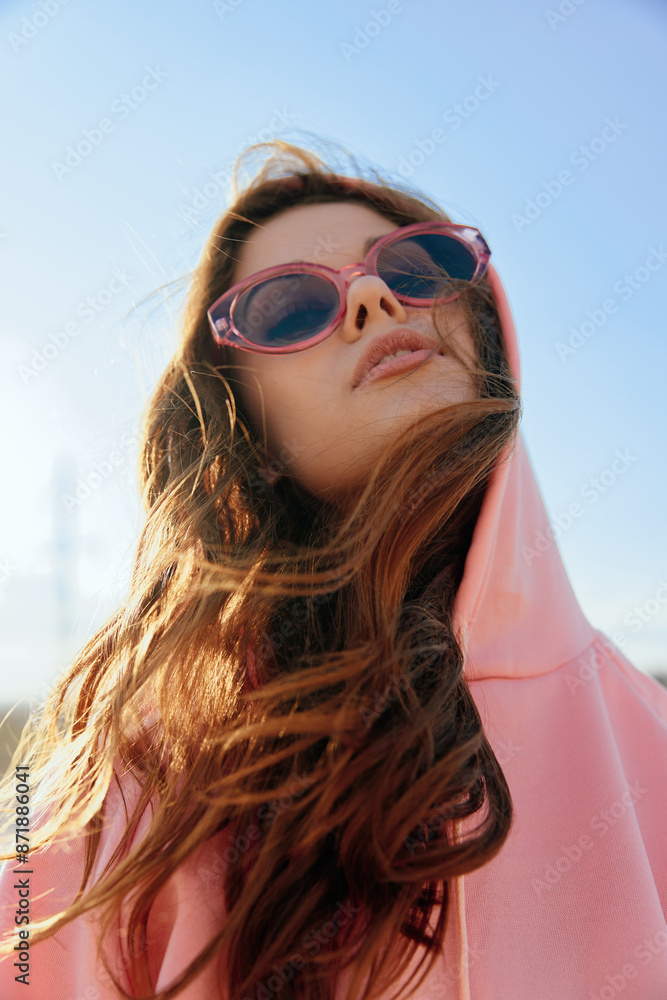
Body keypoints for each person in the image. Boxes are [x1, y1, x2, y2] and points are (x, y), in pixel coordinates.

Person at [1, 138, 666, 1000]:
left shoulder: (651, 735)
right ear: (252, 436)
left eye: (420, 267)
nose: (373, 298)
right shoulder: (133, 789)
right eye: (287, 310)